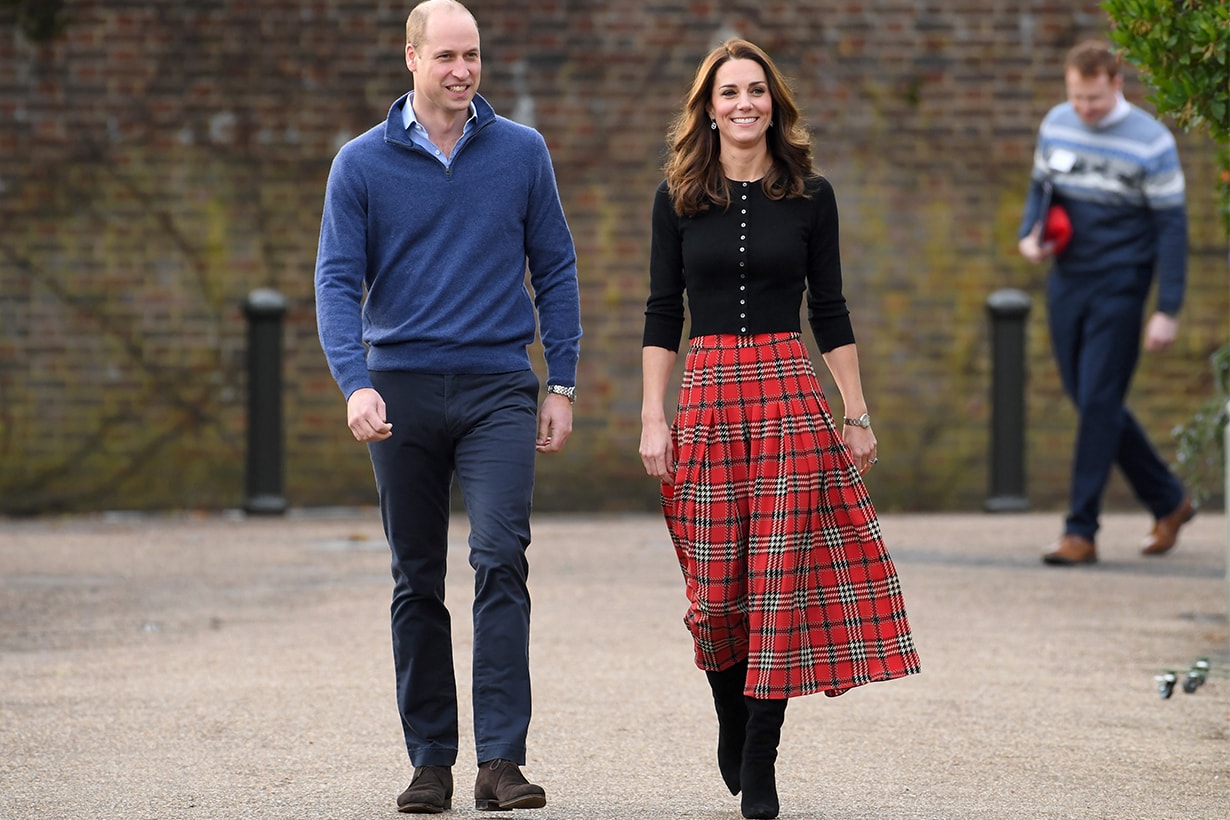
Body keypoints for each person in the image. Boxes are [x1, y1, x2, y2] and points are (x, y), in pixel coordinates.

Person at [639, 39, 921, 820]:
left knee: (776, 583)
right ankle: (732, 713)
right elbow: (665, 312)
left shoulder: (810, 195)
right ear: (708, 106)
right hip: (707, 399)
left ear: (774, 103)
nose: (743, 104)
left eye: (755, 91)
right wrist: (652, 415)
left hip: (787, 399)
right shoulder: (677, 196)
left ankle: (760, 755)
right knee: (715, 588)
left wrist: (855, 412)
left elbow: (829, 310)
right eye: (728, 92)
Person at [314, 0, 581, 812]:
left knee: (500, 558)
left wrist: (560, 382)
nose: (462, 70)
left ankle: (501, 762)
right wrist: (356, 382)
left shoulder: (521, 153)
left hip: (500, 386)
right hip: (402, 391)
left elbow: (557, 269)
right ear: (411, 58)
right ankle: (430, 761)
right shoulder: (360, 165)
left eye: (472, 55)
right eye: (446, 56)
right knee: (415, 576)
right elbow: (334, 281)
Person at [1017, 39, 1194, 566]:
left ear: (1117, 84)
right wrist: (1031, 234)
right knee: (1092, 399)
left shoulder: (1152, 142)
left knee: (1097, 401)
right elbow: (1041, 188)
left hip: (1122, 283)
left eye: (1093, 98)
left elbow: (1173, 229)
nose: (1085, 109)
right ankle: (1169, 499)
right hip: (1068, 279)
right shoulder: (1056, 124)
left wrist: (1168, 308)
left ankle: (1081, 531)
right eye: (1076, 97)